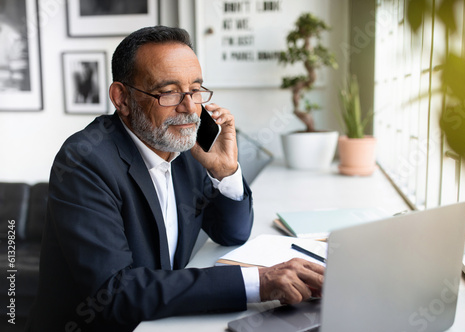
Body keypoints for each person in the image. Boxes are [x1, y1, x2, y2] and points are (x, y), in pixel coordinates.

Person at [25, 26, 324, 331]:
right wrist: (258, 282)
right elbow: (114, 292)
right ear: (122, 98)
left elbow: (231, 232)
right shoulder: (85, 161)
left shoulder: (184, 147)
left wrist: (224, 170)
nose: (191, 108)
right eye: (168, 92)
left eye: (195, 89)